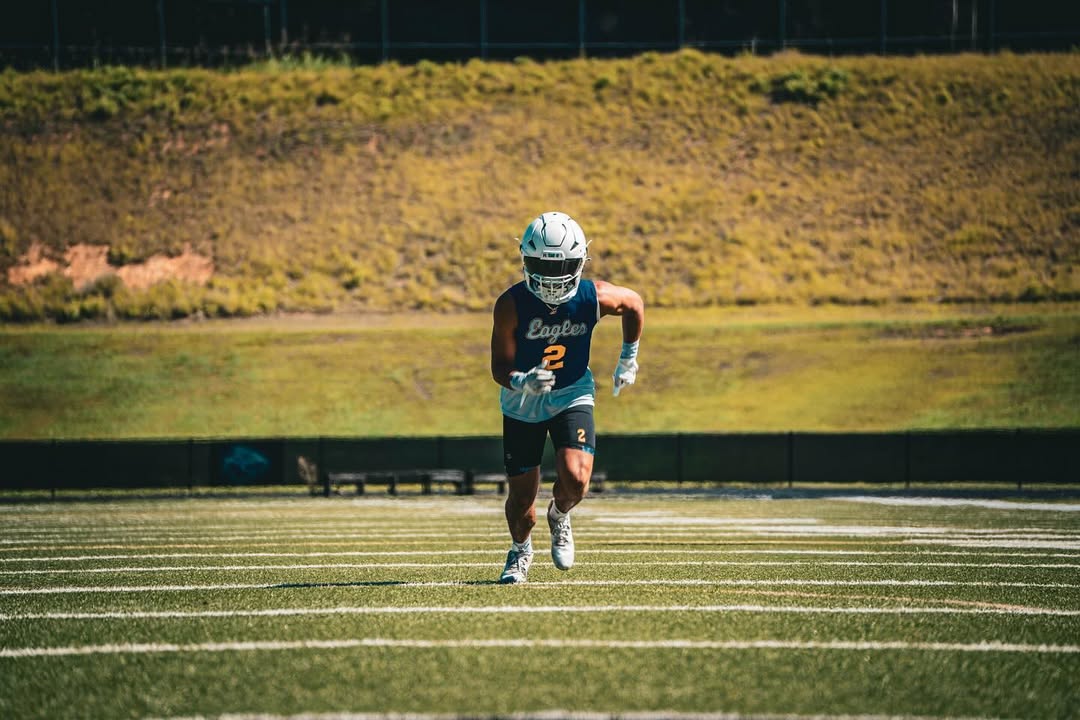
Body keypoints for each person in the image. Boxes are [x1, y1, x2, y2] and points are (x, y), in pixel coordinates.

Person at [489, 211, 645, 584]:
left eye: (561, 267)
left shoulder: (593, 296)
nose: (552, 277)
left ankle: (559, 515)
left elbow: (633, 303)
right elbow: (499, 367)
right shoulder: (511, 304)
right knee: (522, 502)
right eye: (543, 265)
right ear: (526, 260)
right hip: (523, 402)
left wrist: (629, 358)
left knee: (576, 479)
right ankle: (520, 550)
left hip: (572, 391)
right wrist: (521, 381)